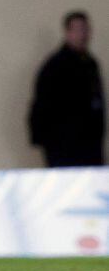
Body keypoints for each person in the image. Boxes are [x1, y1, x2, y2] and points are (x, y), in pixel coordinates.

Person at [29, 11, 105, 167]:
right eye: (77, 30)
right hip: (63, 147)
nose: (82, 34)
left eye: (85, 29)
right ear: (67, 32)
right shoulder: (54, 67)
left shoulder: (91, 64)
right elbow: (42, 107)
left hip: (91, 145)